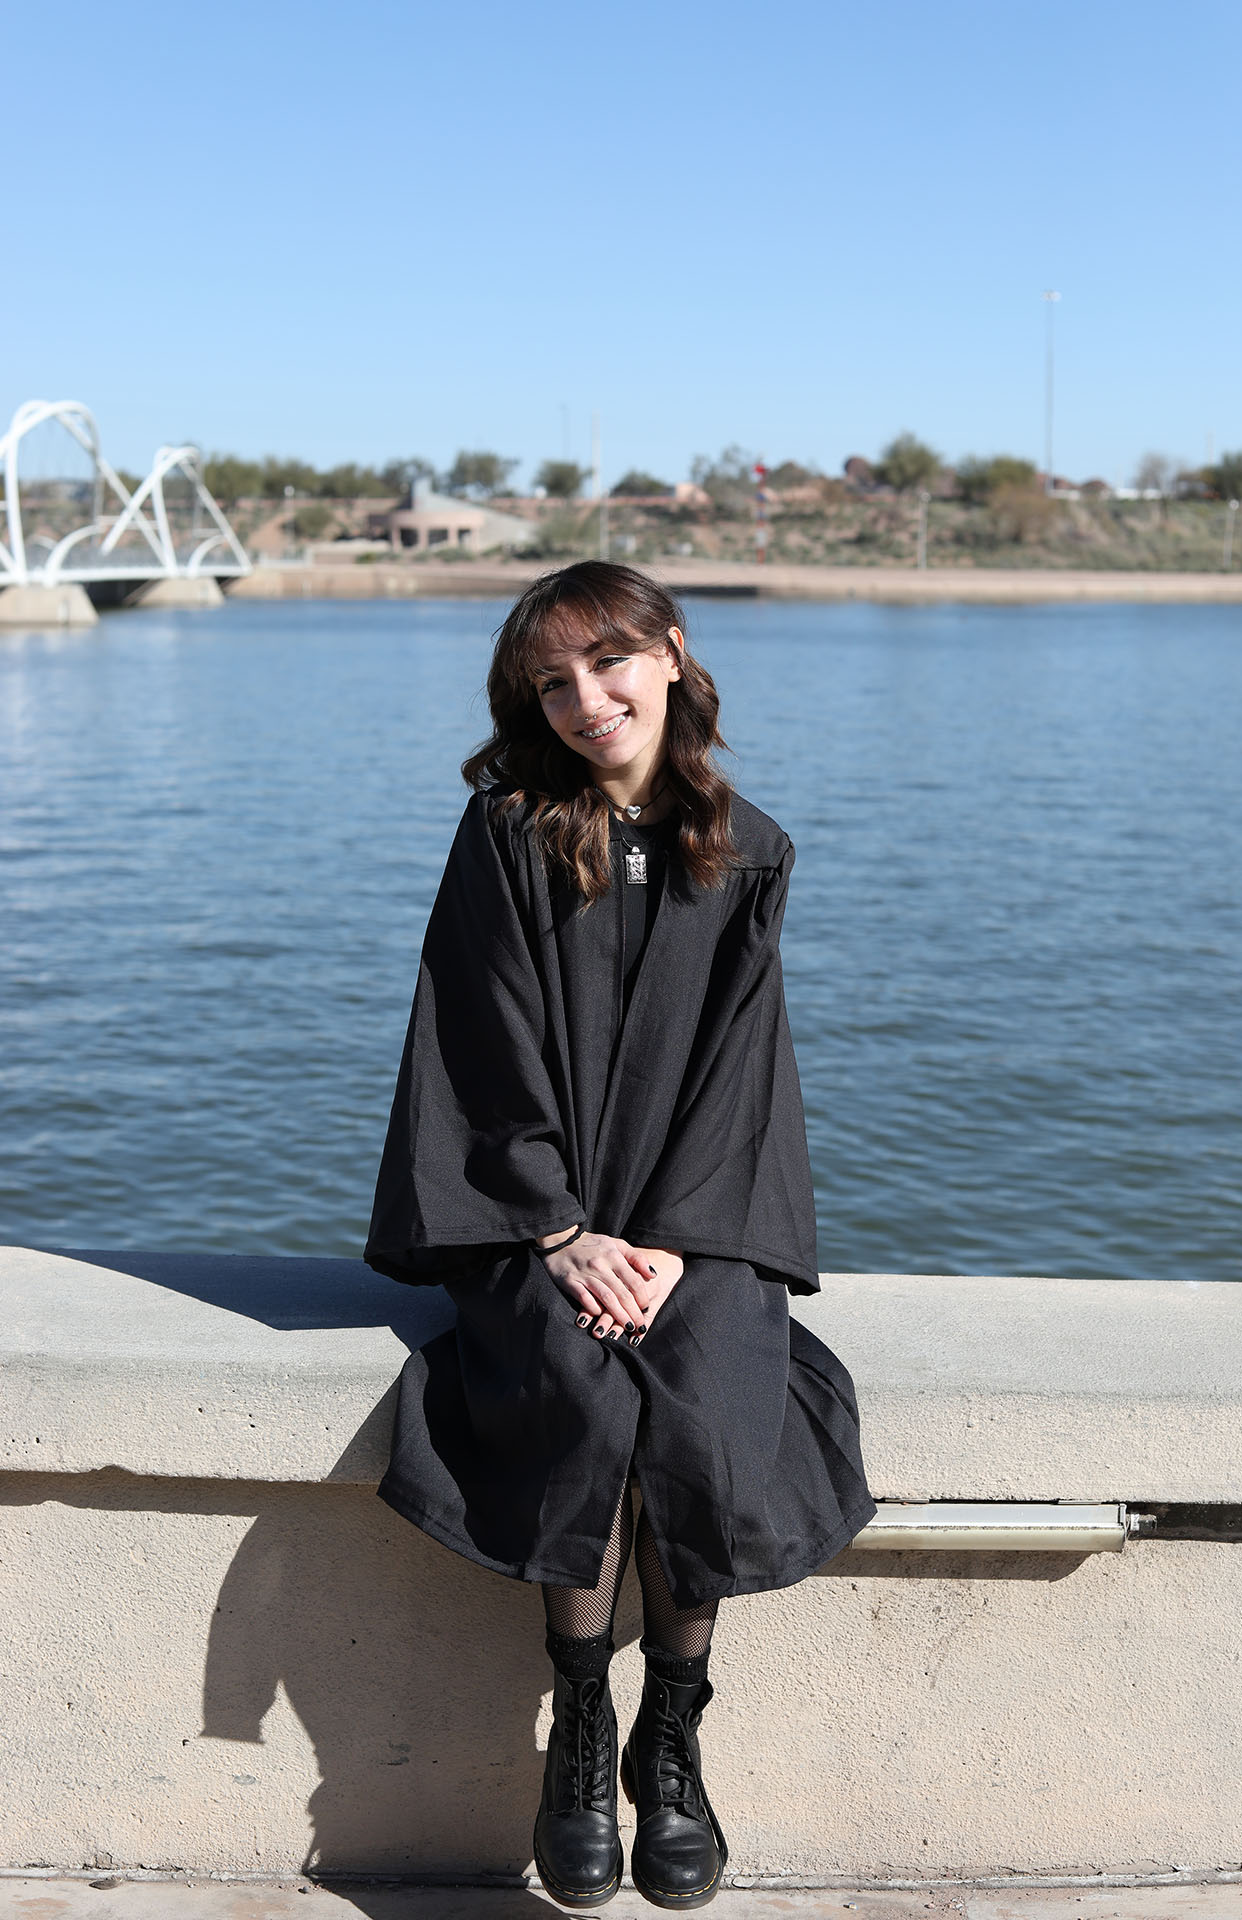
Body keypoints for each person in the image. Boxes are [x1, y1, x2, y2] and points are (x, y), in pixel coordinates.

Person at [365, 561, 876, 1911]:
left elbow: (741, 1074)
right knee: (586, 1400)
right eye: (554, 682)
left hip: (700, 1225)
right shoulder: (510, 833)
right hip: (534, 1218)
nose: (588, 701)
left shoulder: (749, 847)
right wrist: (555, 1232)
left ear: (671, 653)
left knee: (710, 1407)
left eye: (608, 663)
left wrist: (678, 1245)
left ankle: (677, 1731)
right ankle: (582, 1726)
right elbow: (476, 1041)